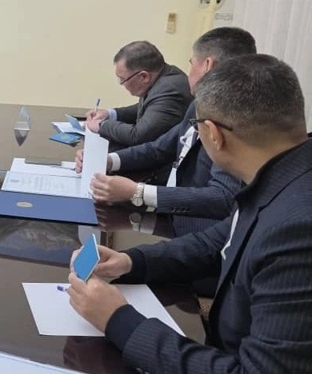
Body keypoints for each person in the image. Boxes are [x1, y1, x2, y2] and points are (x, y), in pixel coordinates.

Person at [68, 54, 312, 374]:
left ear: (212, 135)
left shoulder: (297, 229)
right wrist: (132, 262)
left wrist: (118, 321)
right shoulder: (285, 174)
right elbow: (219, 242)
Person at [77, 27, 256, 235]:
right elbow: (159, 148)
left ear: (207, 65)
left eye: (192, 64)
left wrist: (138, 192)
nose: (188, 72)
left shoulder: (236, 118)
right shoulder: (199, 103)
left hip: (203, 235)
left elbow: (223, 197)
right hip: (172, 217)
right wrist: (108, 160)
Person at [86, 40, 192, 147]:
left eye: (122, 79)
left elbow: (137, 135)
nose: (122, 84)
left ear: (144, 76)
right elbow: (150, 107)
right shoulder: (165, 76)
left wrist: (102, 125)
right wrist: (110, 114)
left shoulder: (169, 89)